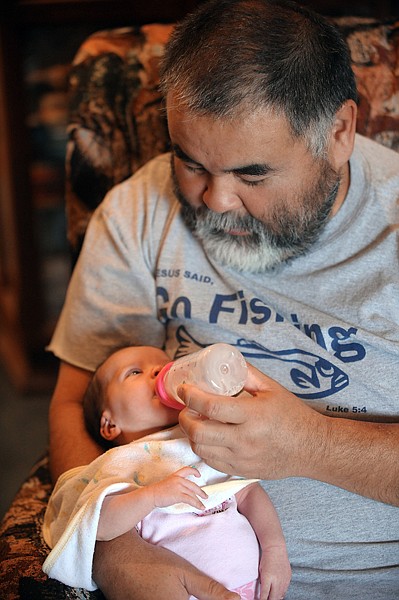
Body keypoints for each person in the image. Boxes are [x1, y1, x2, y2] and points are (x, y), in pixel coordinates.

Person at [46, 0, 399, 598]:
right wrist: (116, 549)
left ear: (339, 132)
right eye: (191, 161)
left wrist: (309, 446)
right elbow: (74, 403)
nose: (215, 200)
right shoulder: (137, 212)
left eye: (252, 175)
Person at [42, 345, 291, 600]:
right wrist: (151, 496)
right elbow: (100, 526)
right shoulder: (121, 464)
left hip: (253, 589)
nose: (159, 371)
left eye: (165, 364)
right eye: (135, 372)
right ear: (109, 423)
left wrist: (275, 549)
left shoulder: (204, 440)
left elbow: (249, 493)